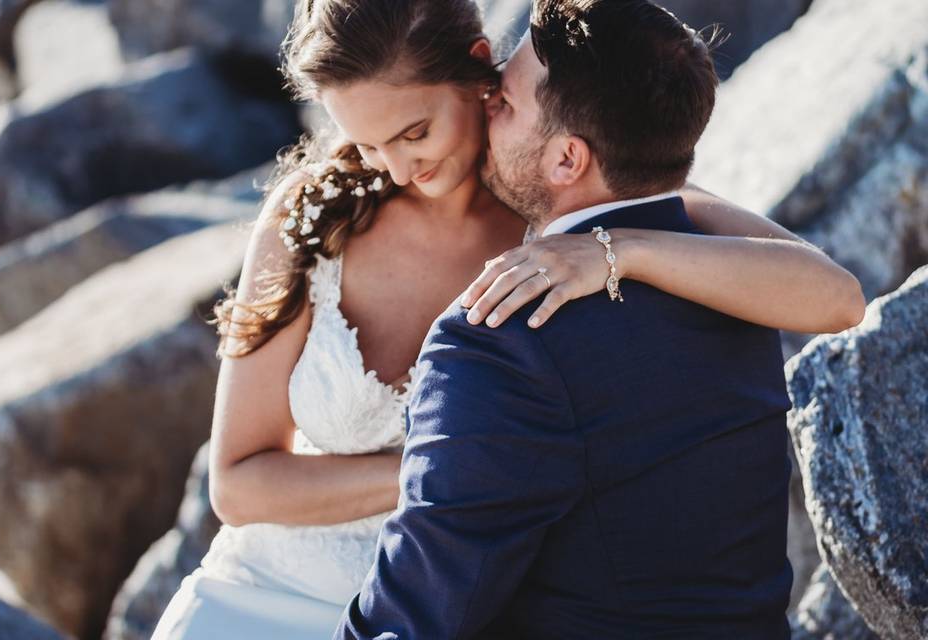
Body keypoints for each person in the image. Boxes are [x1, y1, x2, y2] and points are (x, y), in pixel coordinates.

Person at [152, 1, 864, 638]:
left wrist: (621, 253)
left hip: (447, 611)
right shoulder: (310, 216)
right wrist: (450, 472)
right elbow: (238, 485)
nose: (395, 169)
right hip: (261, 597)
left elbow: (832, 296)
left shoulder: (565, 186)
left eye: (414, 132)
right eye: (367, 144)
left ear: (480, 71)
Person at [336, 1, 829, 638]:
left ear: (568, 159)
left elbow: (417, 612)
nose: (487, 106)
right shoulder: (741, 289)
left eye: (506, 103)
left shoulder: (498, 339)